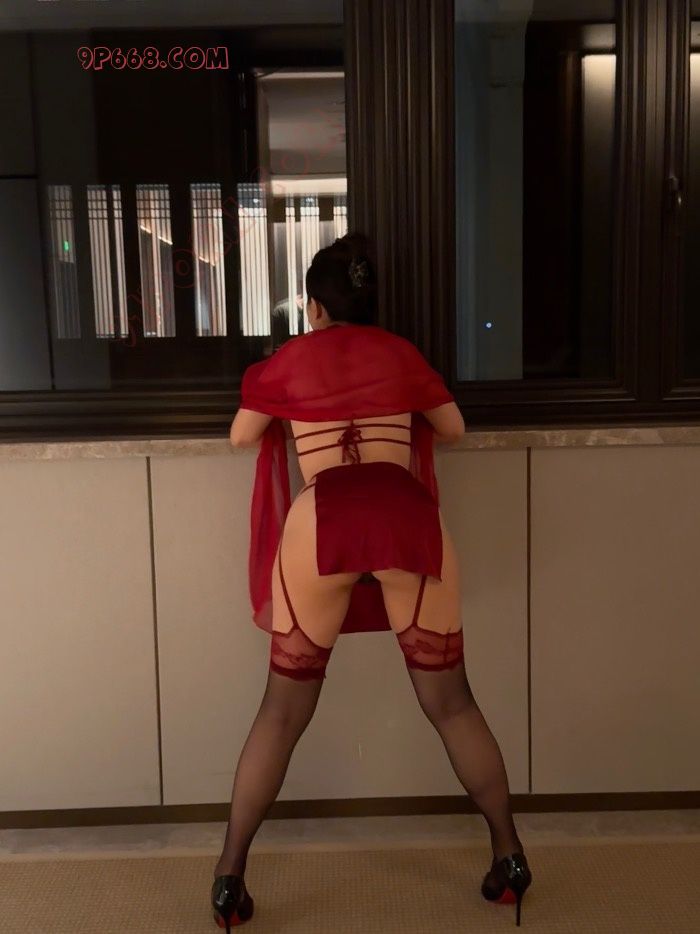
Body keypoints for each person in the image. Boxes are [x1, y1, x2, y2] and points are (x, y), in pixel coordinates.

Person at [211, 233, 532, 931]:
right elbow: (453, 429)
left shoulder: (290, 359)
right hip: (405, 517)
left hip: (319, 521)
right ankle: (509, 857)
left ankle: (229, 879)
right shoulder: (402, 354)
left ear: (315, 307)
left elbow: (241, 436)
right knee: (452, 704)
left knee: (280, 713)